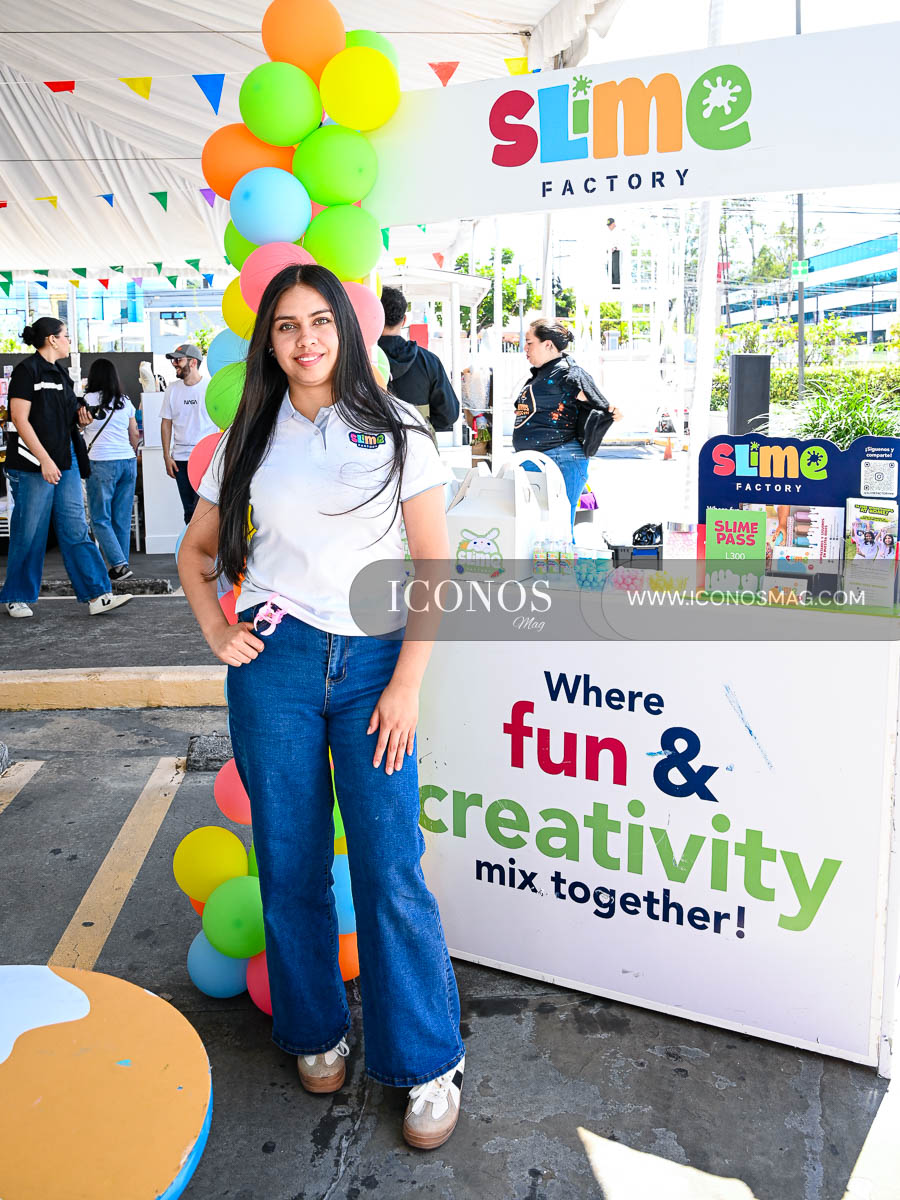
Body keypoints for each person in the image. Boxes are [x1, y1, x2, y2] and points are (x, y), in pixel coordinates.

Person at [178, 264, 465, 1150]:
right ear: (269, 343)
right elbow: (196, 552)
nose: (306, 340)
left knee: (390, 863)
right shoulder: (250, 436)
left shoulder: (400, 429)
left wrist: (406, 684)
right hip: (277, 665)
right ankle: (315, 1030)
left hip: (376, 666)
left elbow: (434, 567)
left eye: (320, 322)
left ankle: (426, 1061)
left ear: (345, 328)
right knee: (289, 858)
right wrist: (216, 629)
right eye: (286, 326)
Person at [0, 318, 132, 618]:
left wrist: (81, 419)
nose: (70, 341)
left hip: (66, 460)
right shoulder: (26, 371)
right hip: (33, 464)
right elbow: (19, 419)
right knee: (29, 531)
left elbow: (66, 417)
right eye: (66, 336)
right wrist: (45, 460)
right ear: (52, 339)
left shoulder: (61, 375)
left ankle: (98, 594)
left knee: (76, 528)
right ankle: (17, 597)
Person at [513, 319, 622, 527]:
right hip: (541, 459)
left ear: (548, 345)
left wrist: (610, 412)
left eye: (529, 342)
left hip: (559, 459)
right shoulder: (544, 372)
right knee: (540, 531)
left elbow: (600, 405)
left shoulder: (567, 373)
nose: (525, 348)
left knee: (558, 531)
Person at [83, 358, 140, 581]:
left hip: (101, 462)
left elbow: (79, 428)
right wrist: (132, 453)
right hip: (127, 461)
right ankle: (120, 567)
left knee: (99, 518)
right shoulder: (125, 401)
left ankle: (119, 564)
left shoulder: (86, 400)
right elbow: (134, 433)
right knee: (121, 519)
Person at [378, 287, 460, 432]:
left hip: (370, 442)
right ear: (404, 320)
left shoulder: (360, 359)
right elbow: (449, 414)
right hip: (419, 440)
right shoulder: (429, 361)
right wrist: (421, 424)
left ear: (374, 316)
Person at [160, 343, 216, 523]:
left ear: (193, 362)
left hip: (206, 457)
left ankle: (206, 541)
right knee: (189, 511)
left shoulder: (211, 387)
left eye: (178, 360)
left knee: (205, 509)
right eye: (173, 361)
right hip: (180, 459)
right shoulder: (172, 389)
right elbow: (166, 422)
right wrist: (166, 456)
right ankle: (191, 542)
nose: (174, 364)